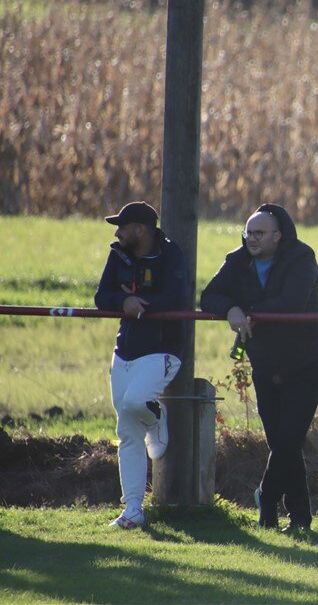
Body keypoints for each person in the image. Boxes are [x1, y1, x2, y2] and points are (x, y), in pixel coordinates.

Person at [200, 204, 318, 532]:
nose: (251, 239)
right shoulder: (237, 260)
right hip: (265, 364)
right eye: (248, 233)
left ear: (277, 235)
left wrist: (247, 311)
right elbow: (209, 295)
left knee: (288, 439)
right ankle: (298, 519)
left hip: (306, 364)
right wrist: (229, 308)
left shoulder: (301, 258)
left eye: (259, 233)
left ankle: (267, 496)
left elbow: (292, 301)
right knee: (283, 445)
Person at [94, 201, 189, 529]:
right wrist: (122, 300)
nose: (117, 232)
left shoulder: (171, 255)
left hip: (162, 350)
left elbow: (177, 298)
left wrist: (138, 300)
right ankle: (133, 509)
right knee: (126, 430)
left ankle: (156, 417)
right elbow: (101, 295)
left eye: (122, 226)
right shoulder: (118, 254)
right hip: (124, 351)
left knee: (136, 404)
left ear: (141, 230)